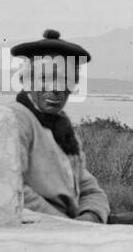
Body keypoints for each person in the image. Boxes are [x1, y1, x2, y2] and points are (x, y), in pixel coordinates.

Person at [9, 28, 108, 223]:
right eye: (45, 79)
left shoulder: (63, 127)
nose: (56, 89)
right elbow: (15, 189)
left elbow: (88, 186)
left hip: (77, 225)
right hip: (47, 229)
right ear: (26, 81)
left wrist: (92, 215)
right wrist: (68, 225)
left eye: (65, 80)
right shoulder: (18, 119)